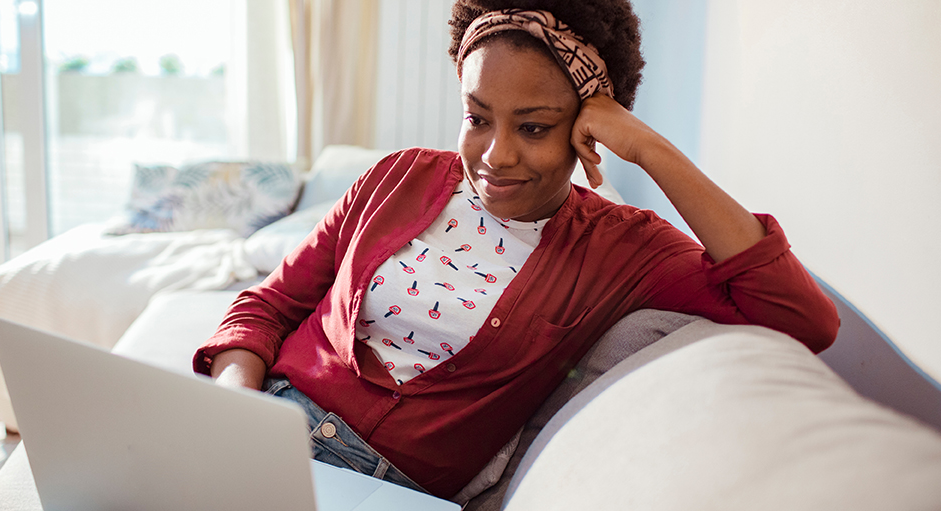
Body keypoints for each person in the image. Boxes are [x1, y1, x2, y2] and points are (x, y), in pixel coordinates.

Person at [193, 0, 840, 501]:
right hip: (264, 425)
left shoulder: (623, 247)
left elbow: (801, 317)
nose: (496, 155)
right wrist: (236, 400)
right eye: (477, 118)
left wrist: (649, 148)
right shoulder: (398, 176)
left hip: (387, 487)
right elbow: (270, 302)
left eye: (533, 127)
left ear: (587, 128)